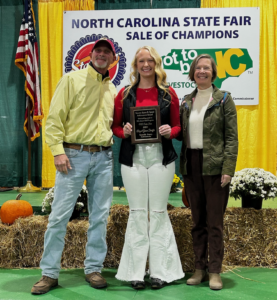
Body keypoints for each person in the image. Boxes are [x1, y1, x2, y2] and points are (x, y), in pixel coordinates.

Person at [31, 38, 117, 295]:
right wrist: (58, 151)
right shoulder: (71, 79)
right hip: (72, 155)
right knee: (58, 216)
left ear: (113, 59)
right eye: (98, 51)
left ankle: (93, 268)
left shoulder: (113, 90)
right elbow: (55, 118)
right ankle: (49, 273)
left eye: (106, 52)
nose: (102, 55)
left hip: (104, 157)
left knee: (100, 216)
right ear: (90, 55)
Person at [112, 46, 184, 290]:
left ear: (156, 64)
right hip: (132, 159)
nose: (146, 65)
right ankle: (135, 272)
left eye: (150, 60)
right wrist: (126, 131)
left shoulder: (168, 94)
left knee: (159, 213)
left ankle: (160, 272)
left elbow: (178, 127)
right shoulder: (124, 94)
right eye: (141, 61)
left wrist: (169, 131)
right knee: (138, 212)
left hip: (161, 158)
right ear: (136, 65)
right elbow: (115, 127)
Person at [179, 54, 238, 290]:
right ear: (192, 73)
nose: (202, 71)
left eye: (207, 68)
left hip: (215, 166)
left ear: (213, 73)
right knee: (196, 222)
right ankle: (199, 269)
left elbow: (231, 138)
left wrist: (228, 169)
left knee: (214, 222)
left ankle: (215, 271)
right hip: (191, 165)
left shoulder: (224, 99)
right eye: (198, 68)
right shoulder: (185, 101)